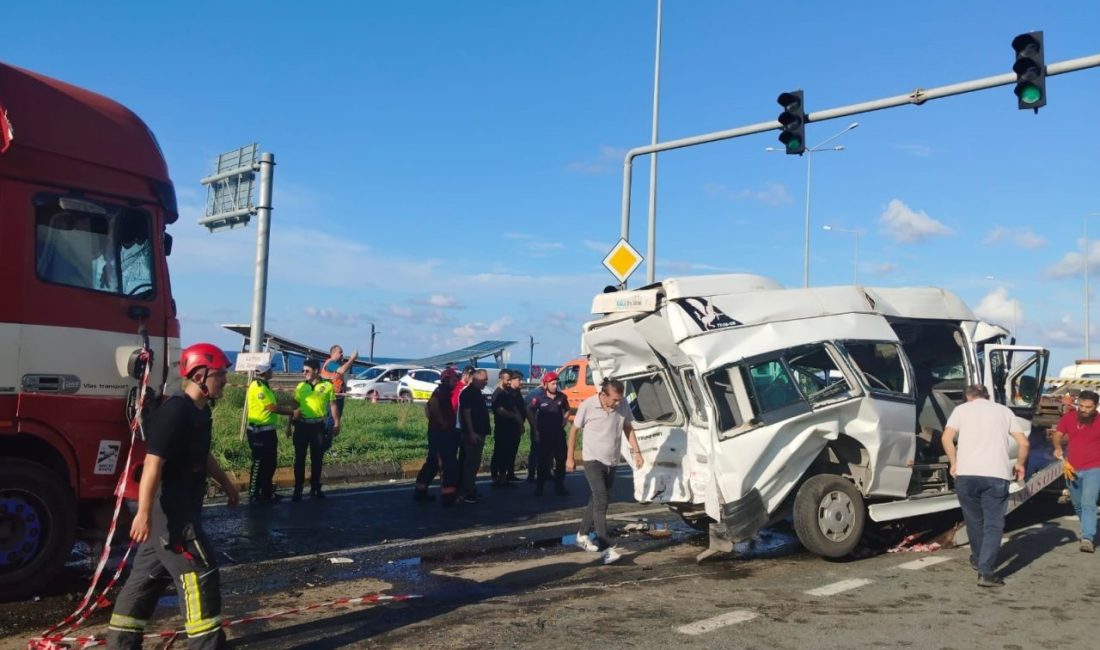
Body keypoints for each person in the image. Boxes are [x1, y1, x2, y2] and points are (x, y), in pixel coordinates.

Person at [107, 343, 240, 649]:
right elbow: (153, 465)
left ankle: (121, 643)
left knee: (145, 581)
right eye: (220, 375)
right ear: (199, 375)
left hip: (182, 510)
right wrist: (142, 513)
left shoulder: (200, 412)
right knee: (200, 575)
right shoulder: (175, 411)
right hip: (172, 514)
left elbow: (202, 455)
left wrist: (227, 484)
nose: (225, 381)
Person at [941, 384, 1029, 587]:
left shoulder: (960, 410)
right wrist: (1020, 464)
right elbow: (1023, 443)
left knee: (973, 520)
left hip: (966, 474)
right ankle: (986, 571)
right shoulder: (1003, 411)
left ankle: (978, 558)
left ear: (967, 396)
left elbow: (946, 437)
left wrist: (954, 462)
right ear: (988, 396)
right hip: (996, 475)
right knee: (993, 523)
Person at [566, 378, 643, 565]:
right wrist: (569, 457)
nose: (618, 403)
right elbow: (574, 430)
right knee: (602, 500)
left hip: (612, 460)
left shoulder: (622, 404)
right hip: (592, 460)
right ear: (603, 395)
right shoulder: (588, 405)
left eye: (620, 399)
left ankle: (582, 534)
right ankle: (605, 547)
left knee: (597, 499)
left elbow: (628, 428)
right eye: (614, 400)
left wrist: (636, 452)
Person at [1051, 389, 1100, 553]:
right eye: (1082, 406)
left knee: (1088, 502)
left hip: (1095, 467)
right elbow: (1057, 435)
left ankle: (1087, 538)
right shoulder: (1069, 418)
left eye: (1088, 407)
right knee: (1077, 503)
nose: (1084, 410)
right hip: (1071, 468)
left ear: (1096, 407)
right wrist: (1057, 447)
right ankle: (1087, 525)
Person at [245, 360, 296, 504]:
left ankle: (266, 492)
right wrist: (291, 411)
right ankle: (254, 493)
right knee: (259, 462)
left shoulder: (265, 386)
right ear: (264, 372)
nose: (272, 371)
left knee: (271, 463)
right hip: (259, 432)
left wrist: (288, 402)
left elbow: (275, 402)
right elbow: (271, 407)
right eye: (270, 370)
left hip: (268, 431)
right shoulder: (259, 387)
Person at [291, 358, 340, 500]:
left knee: (317, 459)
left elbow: (333, 406)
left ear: (316, 371)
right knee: (299, 458)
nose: (304, 373)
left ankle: (315, 488)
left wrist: (337, 422)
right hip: (301, 426)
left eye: (307, 370)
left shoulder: (327, 386)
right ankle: (298, 489)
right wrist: (289, 425)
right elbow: (294, 407)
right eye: (303, 370)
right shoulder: (301, 386)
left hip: (318, 426)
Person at [412, 367, 462, 506]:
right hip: (442, 433)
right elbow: (432, 405)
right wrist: (441, 421)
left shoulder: (441, 391)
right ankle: (448, 495)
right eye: (454, 379)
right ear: (446, 380)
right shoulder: (443, 391)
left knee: (433, 462)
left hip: (437, 431)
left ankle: (420, 489)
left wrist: (434, 421)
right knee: (448, 462)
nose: (456, 382)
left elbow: (427, 408)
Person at [529, 371, 571, 496]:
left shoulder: (562, 397)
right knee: (542, 461)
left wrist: (564, 420)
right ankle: (539, 486)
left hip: (558, 434)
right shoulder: (539, 398)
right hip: (544, 434)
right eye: (552, 383)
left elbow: (567, 409)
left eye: (556, 383)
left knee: (560, 460)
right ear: (546, 384)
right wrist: (535, 428)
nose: (555, 385)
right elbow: (530, 411)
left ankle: (559, 485)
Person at [459, 369, 491, 503]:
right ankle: (467, 491)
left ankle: (471, 488)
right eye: (484, 380)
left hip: (479, 432)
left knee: (474, 463)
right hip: (473, 433)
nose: (486, 382)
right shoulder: (468, 393)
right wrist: (471, 432)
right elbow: (466, 414)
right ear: (477, 379)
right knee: (470, 463)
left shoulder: (477, 392)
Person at [490, 370, 523, 487]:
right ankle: (497, 477)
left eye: (510, 380)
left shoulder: (508, 393)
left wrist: (520, 423)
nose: (509, 382)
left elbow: (515, 408)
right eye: (507, 380)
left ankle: (505, 477)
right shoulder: (497, 394)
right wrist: (514, 416)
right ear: (501, 379)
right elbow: (500, 411)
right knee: (500, 452)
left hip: (511, 428)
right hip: (502, 428)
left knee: (508, 452)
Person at [321, 344, 358, 422]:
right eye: (340, 352)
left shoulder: (337, 364)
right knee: (331, 421)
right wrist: (352, 358)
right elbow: (342, 370)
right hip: (331, 398)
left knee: (336, 420)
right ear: (333, 353)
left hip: (337, 396)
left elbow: (345, 367)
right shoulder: (331, 364)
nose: (342, 354)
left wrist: (351, 360)